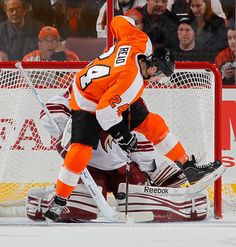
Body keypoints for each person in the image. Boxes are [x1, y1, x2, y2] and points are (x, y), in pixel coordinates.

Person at [44, 15, 224, 222]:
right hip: (87, 100)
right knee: (80, 149)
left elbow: (118, 21)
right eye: (160, 76)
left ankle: (188, 167)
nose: (158, 80)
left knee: (152, 123)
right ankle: (59, 200)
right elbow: (104, 112)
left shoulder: (140, 41)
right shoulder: (132, 83)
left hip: (106, 87)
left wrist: (130, 22)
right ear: (154, 67)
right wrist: (123, 136)